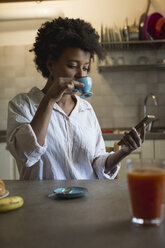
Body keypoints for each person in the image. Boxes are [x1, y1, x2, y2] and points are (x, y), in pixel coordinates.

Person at [7, 17, 146, 180]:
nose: (81, 75)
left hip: (84, 202)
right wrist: (49, 100)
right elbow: (26, 155)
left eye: (86, 68)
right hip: (42, 203)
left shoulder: (85, 110)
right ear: (50, 64)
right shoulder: (23, 105)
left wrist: (124, 152)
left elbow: (97, 162)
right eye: (72, 66)